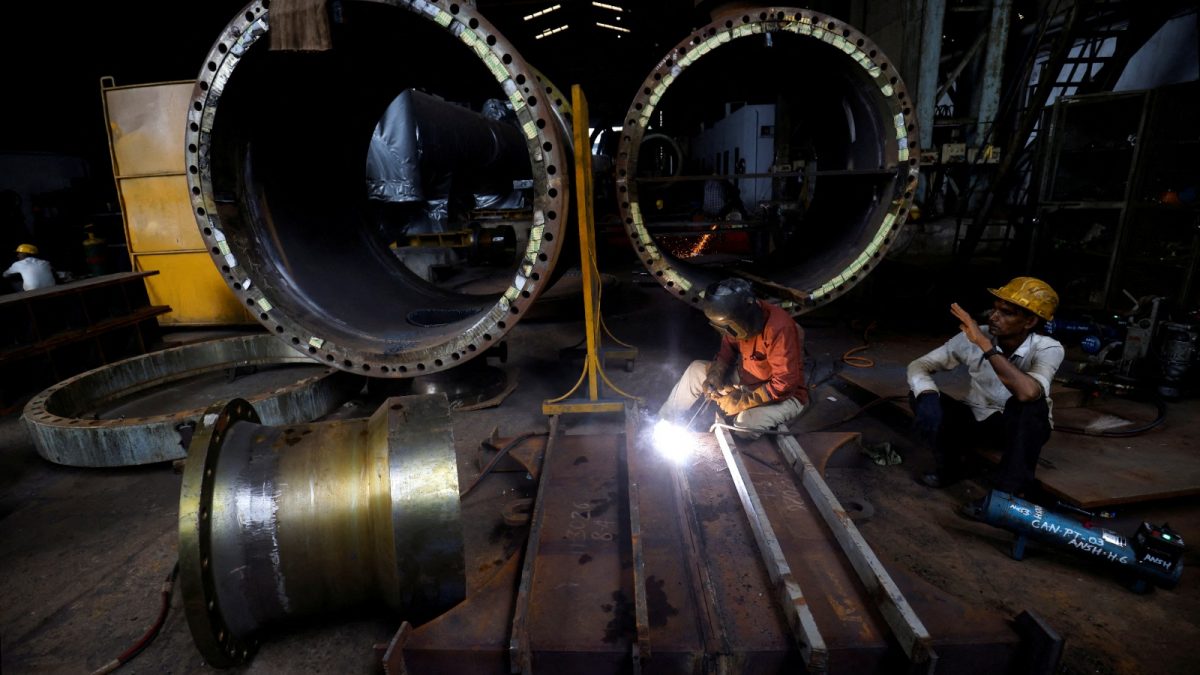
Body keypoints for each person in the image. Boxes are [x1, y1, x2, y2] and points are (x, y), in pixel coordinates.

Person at [907, 277, 1064, 514]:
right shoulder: (974, 335)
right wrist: (927, 396)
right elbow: (920, 365)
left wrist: (984, 345)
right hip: (978, 420)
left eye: (1006, 313)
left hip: (1019, 428)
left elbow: (1028, 392)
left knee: (1029, 406)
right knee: (921, 395)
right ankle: (951, 468)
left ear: (1030, 321)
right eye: (995, 308)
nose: (993, 316)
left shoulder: (1048, 348)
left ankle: (1005, 495)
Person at [658, 278, 807, 439]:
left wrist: (741, 402)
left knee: (745, 426)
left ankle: (758, 414)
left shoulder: (778, 327)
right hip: (747, 380)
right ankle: (665, 423)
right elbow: (726, 352)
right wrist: (716, 375)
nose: (730, 332)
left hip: (784, 396)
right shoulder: (736, 320)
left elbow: (784, 385)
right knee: (696, 370)